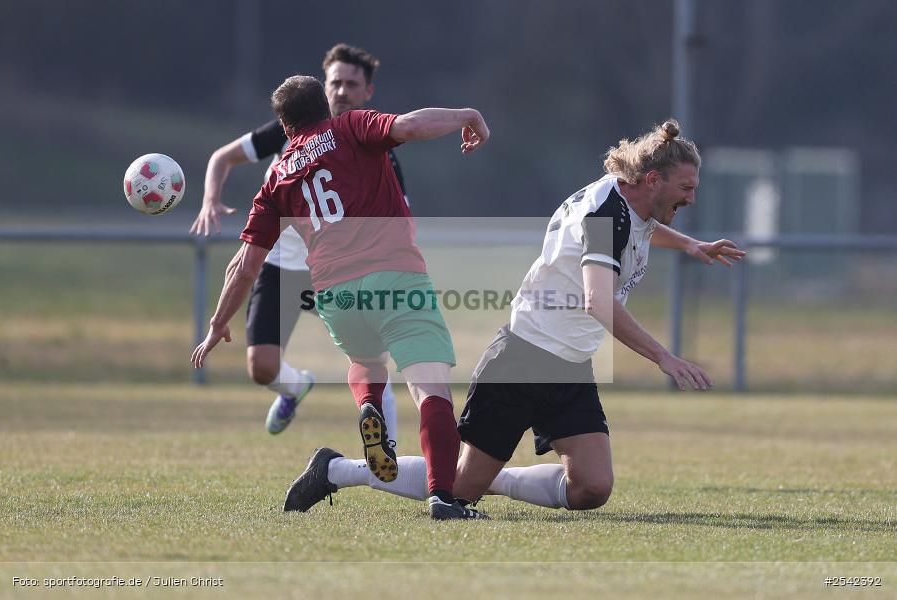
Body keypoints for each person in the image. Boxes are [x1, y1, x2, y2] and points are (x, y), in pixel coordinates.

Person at [281, 119, 745, 516]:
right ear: (651, 180)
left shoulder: (627, 201)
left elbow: (643, 229)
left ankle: (489, 478)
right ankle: (335, 470)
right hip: (524, 358)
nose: (691, 199)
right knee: (460, 487)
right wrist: (664, 357)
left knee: (592, 489)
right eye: (686, 188)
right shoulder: (607, 215)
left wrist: (690, 245)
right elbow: (598, 301)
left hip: (569, 365)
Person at [191, 74, 491, 520]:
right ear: (323, 107)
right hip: (395, 278)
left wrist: (217, 323)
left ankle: (369, 402)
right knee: (431, 389)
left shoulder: (276, 177)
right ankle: (443, 499)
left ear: (285, 126)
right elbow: (409, 126)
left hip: (335, 296)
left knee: (368, 362)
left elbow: (245, 264)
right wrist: (467, 115)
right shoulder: (349, 127)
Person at [190, 43, 405, 440]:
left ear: (367, 92)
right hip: (281, 268)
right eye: (334, 82)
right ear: (323, 87)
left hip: (338, 270)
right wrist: (210, 200)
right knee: (262, 368)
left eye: (351, 84)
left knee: (370, 356)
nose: (341, 91)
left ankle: (384, 447)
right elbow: (222, 158)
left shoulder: (372, 143)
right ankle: (296, 387)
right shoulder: (289, 129)